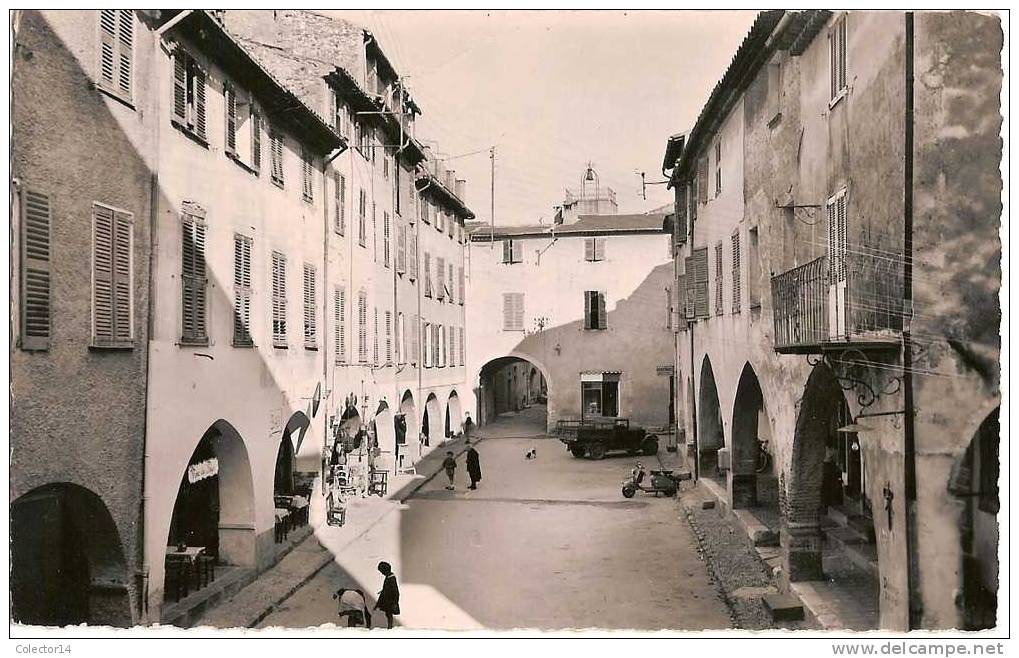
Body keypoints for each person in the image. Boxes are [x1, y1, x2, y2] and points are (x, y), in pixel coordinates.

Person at [374, 561, 400, 629]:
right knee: (388, 614)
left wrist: (395, 602)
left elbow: (395, 591)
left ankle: (390, 627)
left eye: (381, 571)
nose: (381, 573)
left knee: (389, 614)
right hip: (389, 600)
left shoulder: (391, 578)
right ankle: (389, 627)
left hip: (390, 601)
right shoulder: (389, 577)